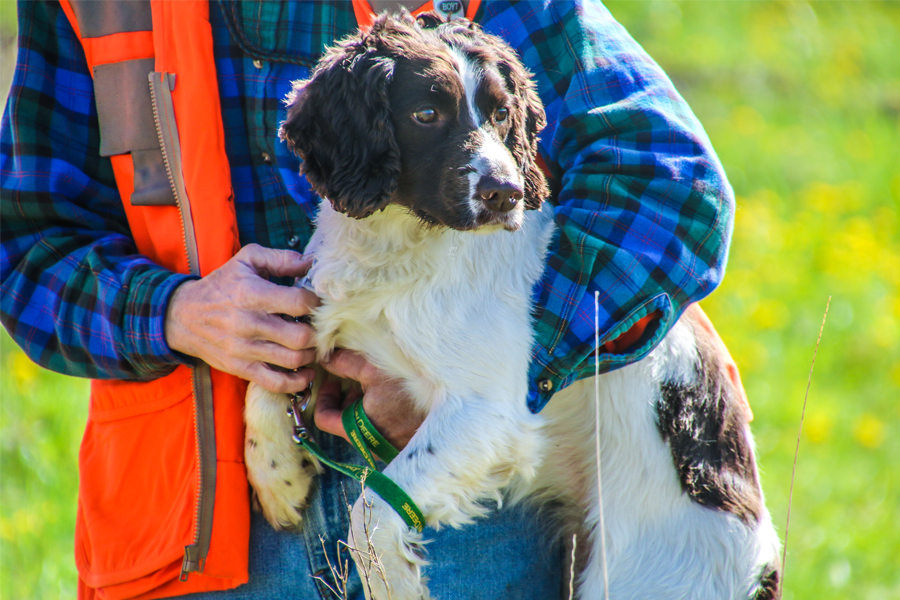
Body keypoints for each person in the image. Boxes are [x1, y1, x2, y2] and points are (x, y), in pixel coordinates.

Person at [0, 1, 735, 598]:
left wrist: (501, 375)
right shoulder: (89, 6)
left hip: (474, 523)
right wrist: (174, 312)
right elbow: (26, 248)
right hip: (198, 524)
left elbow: (676, 191)